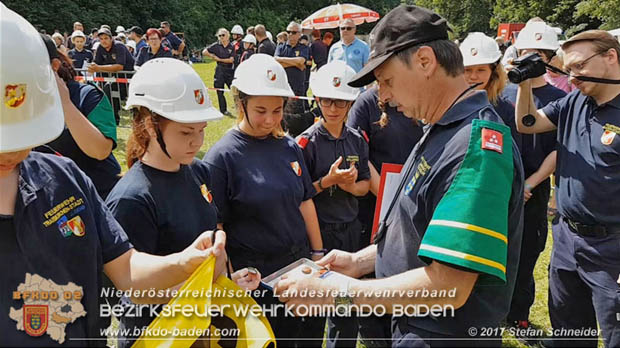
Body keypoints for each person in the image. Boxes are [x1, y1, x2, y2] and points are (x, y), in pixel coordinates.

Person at [275, 6, 524, 347]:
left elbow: (449, 286)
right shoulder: (442, 128)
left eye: (387, 81)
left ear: (425, 61)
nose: (383, 97)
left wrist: (342, 294)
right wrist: (360, 261)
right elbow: (419, 234)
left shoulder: (474, 148)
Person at [0, 5, 227, 346]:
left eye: (25, 136)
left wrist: (186, 261)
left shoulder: (66, 180)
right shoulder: (133, 195)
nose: (16, 154)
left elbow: (128, 270)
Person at [105, 58, 259, 347]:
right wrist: (209, 294)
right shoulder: (132, 199)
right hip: (157, 335)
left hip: (200, 328)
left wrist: (226, 283)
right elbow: (136, 289)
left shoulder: (198, 172)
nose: (198, 142)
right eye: (186, 133)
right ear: (151, 126)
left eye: (201, 130)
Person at [202, 54, 325, 347]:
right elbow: (216, 226)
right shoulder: (221, 158)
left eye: (277, 110)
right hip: (256, 280)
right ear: (240, 103)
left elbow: (305, 201)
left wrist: (318, 254)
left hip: (300, 270)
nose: (270, 119)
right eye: (260, 110)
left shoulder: (289, 147)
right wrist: (230, 282)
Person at [513, 29, 620, 348]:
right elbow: (527, 123)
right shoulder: (574, 101)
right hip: (567, 241)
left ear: (610, 57)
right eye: (567, 69)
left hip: (612, 248)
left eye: (579, 67)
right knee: (569, 331)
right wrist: (524, 84)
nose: (572, 77)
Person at [297, 60, 370, 348]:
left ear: (351, 103)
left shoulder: (357, 140)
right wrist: (326, 182)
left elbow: (365, 186)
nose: (334, 108)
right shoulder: (306, 142)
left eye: (341, 102)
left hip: (350, 231)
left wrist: (350, 185)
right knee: (315, 306)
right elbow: (300, 197)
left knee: (345, 304)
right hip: (319, 233)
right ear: (317, 101)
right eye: (327, 101)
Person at [36, 34, 121, 200]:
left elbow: (100, 151)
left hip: (100, 196)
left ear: (54, 65)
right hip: (55, 200)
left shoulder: (88, 96)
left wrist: (65, 104)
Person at [203, 28, 234, 116]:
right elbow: (204, 51)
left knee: (234, 90)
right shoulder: (216, 45)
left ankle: (240, 108)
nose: (221, 37)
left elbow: (231, 60)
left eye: (223, 35)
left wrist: (219, 59)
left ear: (228, 36)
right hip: (220, 69)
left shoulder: (231, 46)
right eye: (219, 36)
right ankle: (223, 110)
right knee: (219, 90)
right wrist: (211, 55)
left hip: (229, 70)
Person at [275, 22, 309, 97]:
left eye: (293, 32)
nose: (290, 34)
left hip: (298, 87)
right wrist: (296, 64)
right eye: (288, 32)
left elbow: (301, 61)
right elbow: (276, 61)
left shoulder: (303, 48)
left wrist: (282, 60)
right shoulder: (281, 47)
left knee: (297, 108)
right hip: (283, 85)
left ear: (299, 34)